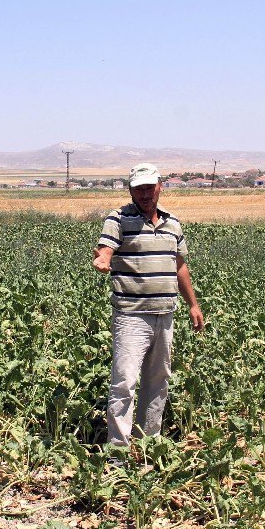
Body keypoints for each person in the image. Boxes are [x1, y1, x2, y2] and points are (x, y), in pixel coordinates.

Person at [92, 163, 204, 446]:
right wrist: (103, 260)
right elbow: (106, 248)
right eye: (138, 188)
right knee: (125, 381)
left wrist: (193, 304)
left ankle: (147, 443)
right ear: (130, 190)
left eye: (149, 187)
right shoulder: (117, 219)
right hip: (131, 315)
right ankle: (118, 450)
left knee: (158, 380)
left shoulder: (172, 223)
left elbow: (179, 265)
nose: (144, 194)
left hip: (165, 314)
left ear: (160, 186)